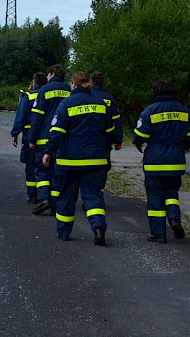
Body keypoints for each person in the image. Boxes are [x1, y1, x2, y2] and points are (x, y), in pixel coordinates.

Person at [42, 72, 117, 245]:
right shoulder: (100, 103)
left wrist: (48, 151)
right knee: (93, 196)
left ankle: (64, 232)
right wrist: (105, 148)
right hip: (96, 160)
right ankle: (98, 228)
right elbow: (110, 131)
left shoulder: (66, 103)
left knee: (67, 196)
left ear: (73, 85)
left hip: (69, 161)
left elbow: (57, 132)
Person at [133, 79, 190, 243]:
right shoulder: (183, 110)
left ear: (155, 92)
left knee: (155, 196)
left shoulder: (150, 111)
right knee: (171, 193)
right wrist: (183, 146)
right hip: (176, 160)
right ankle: (175, 219)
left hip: (155, 161)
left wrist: (138, 144)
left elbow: (140, 136)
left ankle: (158, 233)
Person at [25, 64, 70, 215]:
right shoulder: (70, 91)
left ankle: (44, 199)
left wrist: (32, 138)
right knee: (57, 173)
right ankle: (56, 205)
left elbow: (36, 117)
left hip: (44, 138)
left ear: (51, 74)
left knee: (42, 171)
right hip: (63, 140)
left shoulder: (44, 90)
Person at [11, 72, 47, 203]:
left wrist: (15, 133)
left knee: (31, 166)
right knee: (46, 167)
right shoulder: (47, 95)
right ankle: (45, 194)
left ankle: (32, 195)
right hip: (46, 136)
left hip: (29, 137)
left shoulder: (29, 96)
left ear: (34, 82)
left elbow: (20, 117)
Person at [89, 71, 125, 162]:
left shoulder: (86, 96)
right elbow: (116, 119)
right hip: (104, 139)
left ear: (91, 81)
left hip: (85, 137)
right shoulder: (109, 98)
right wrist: (118, 140)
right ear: (103, 82)